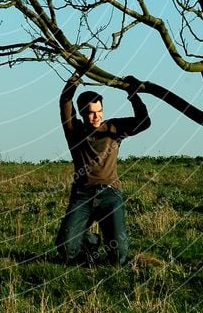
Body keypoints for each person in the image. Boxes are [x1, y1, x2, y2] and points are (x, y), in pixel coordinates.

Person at [55, 70, 151, 266]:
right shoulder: (75, 131)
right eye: (91, 113)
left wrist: (133, 94)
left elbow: (144, 122)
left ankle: (110, 248)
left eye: (99, 112)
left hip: (110, 194)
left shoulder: (114, 128)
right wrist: (76, 75)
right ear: (82, 113)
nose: (96, 117)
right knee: (65, 248)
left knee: (118, 258)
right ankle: (90, 242)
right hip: (82, 194)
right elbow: (65, 101)